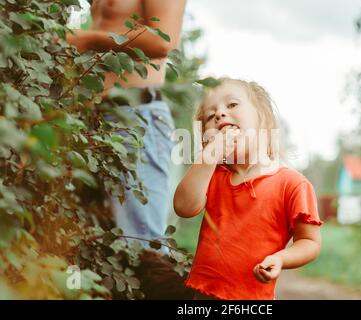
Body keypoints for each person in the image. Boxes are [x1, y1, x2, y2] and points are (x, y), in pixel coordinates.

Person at [173, 78, 324, 300]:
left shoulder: (291, 184)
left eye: (232, 105)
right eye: (209, 116)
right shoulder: (211, 176)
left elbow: (309, 242)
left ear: (262, 120)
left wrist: (281, 258)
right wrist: (208, 158)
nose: (219, 114)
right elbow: (183, 207)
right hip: (202, 296)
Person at [67, 0, 187, 243]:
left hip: (135, 120)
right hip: (93, 122)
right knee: (91, 243)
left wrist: (88, 38)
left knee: (140, 242)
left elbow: (163, 40)